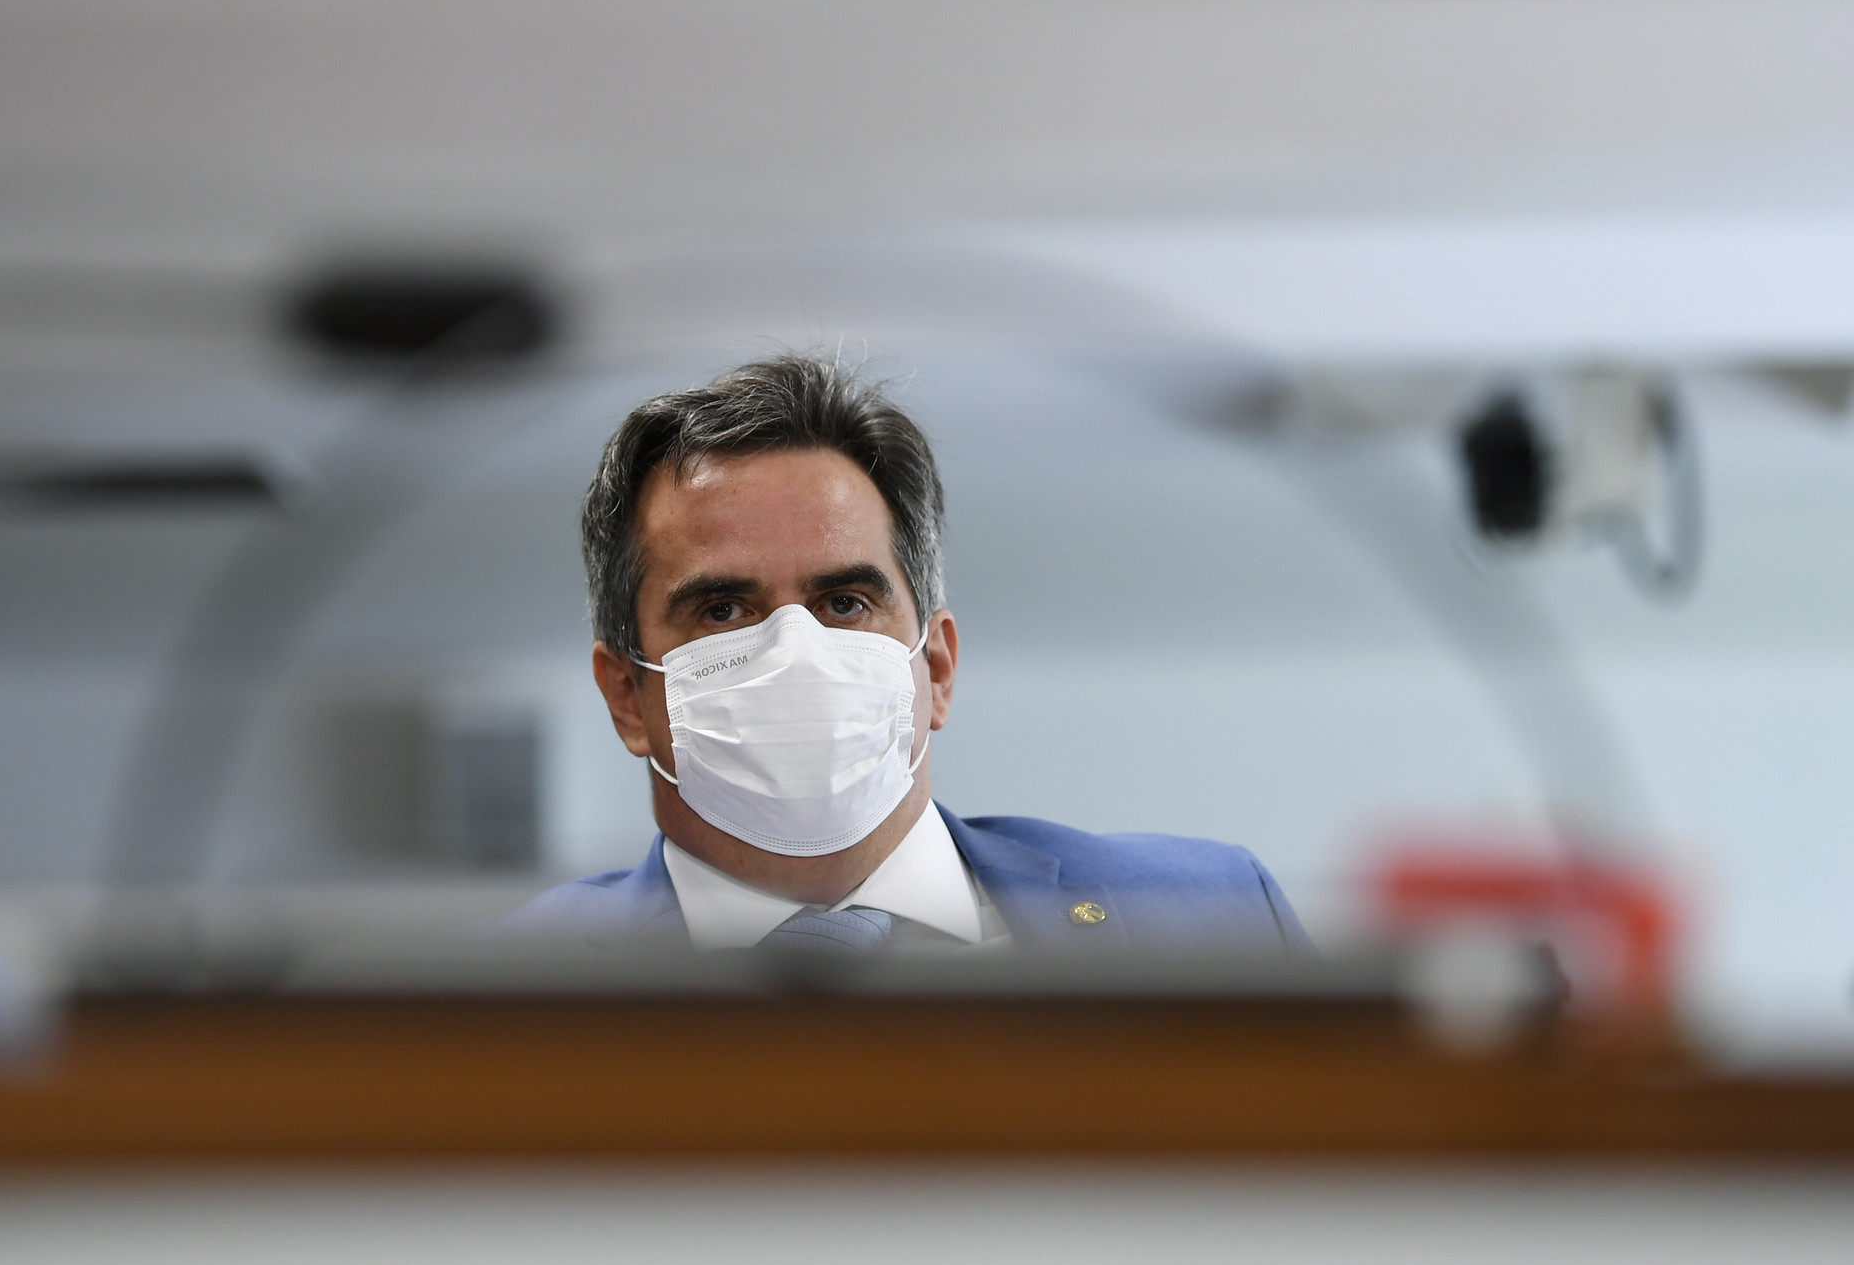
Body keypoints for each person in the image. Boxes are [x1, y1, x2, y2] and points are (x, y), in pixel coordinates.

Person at [504, 354, 1309, 956]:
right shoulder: (495, 996)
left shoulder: (1215, 917)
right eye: (723, 610)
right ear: (626, 696)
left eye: (845, 602)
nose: (797, 651)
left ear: (938, 667)